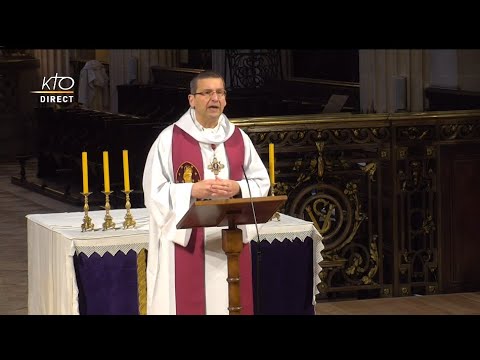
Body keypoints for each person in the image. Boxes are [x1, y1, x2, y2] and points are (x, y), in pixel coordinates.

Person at [142, 71, 270, 315]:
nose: (215, 98)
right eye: (207, 92)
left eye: (220, 92)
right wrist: (192, 189)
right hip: (188, 240)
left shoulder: (238, 138)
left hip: (230, 238)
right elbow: (154, 191)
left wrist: (238, 187)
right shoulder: (169, 139)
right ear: (192, 99)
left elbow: (261, 181)